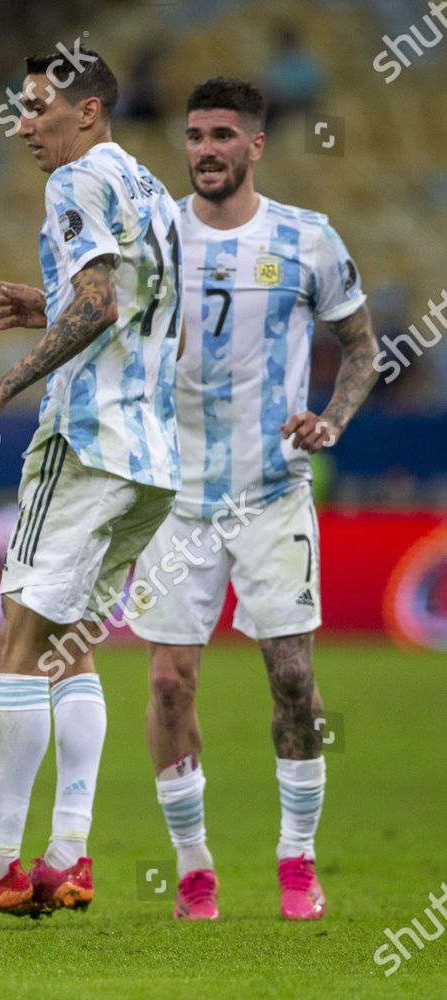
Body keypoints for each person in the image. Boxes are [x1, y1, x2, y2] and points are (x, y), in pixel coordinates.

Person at [0, 48, 183, 921]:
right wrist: (54, 301)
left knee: (20, 644)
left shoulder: (76, 181)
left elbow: (102, 303)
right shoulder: (149, 188)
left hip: (86, 442)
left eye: (38, 106)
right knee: (71, 649)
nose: (25, 123)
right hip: (152, 457)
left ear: (88, 110)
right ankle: (68, 858)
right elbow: (140, 305)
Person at [128, 77, 377, 921]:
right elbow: (105, 316)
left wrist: (333, 421)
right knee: (167, 684)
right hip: (173, 498)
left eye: (222, 135)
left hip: (272, 494)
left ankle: (297, 860)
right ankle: (194, 870)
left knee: (296, 682)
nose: (205, 148)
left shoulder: (307, 239)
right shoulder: (156, 232)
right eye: (195, 134)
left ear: (255, 146)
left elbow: (363, 349)